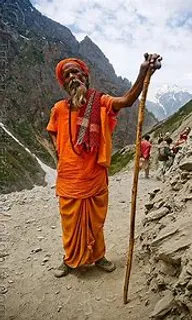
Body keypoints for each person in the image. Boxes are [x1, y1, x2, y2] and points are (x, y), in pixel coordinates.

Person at [46, 53, 162, 277]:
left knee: (95, 222)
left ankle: (98, 256)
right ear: (64, 82)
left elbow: (127, 100)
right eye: (67, 74)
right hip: (69, 179)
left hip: (94, 177)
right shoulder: (58, 109)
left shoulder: (100, 101)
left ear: (85, 76)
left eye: (76, 72)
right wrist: (61, 154)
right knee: (70, 224)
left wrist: (143, 72)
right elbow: (53, 132)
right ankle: (70, 260)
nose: (72, 76)